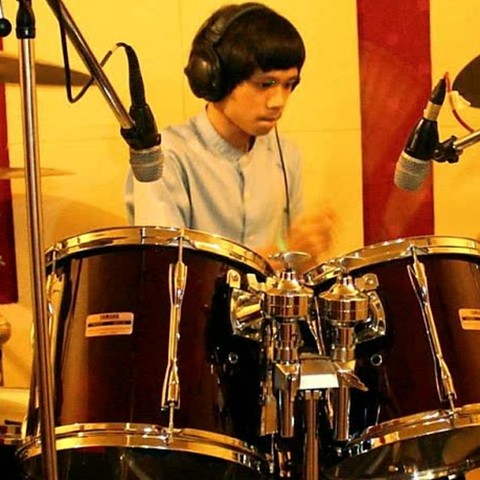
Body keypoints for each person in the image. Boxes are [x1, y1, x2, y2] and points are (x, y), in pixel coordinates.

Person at [125, 2, 335, 266]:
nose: (278, 101)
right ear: (214, 79)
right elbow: (168, 272)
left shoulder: (286, 155)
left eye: (288, 85)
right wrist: (283, 251)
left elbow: (293, 271)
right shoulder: (163, 159)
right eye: (265, 84)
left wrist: (307, 254)